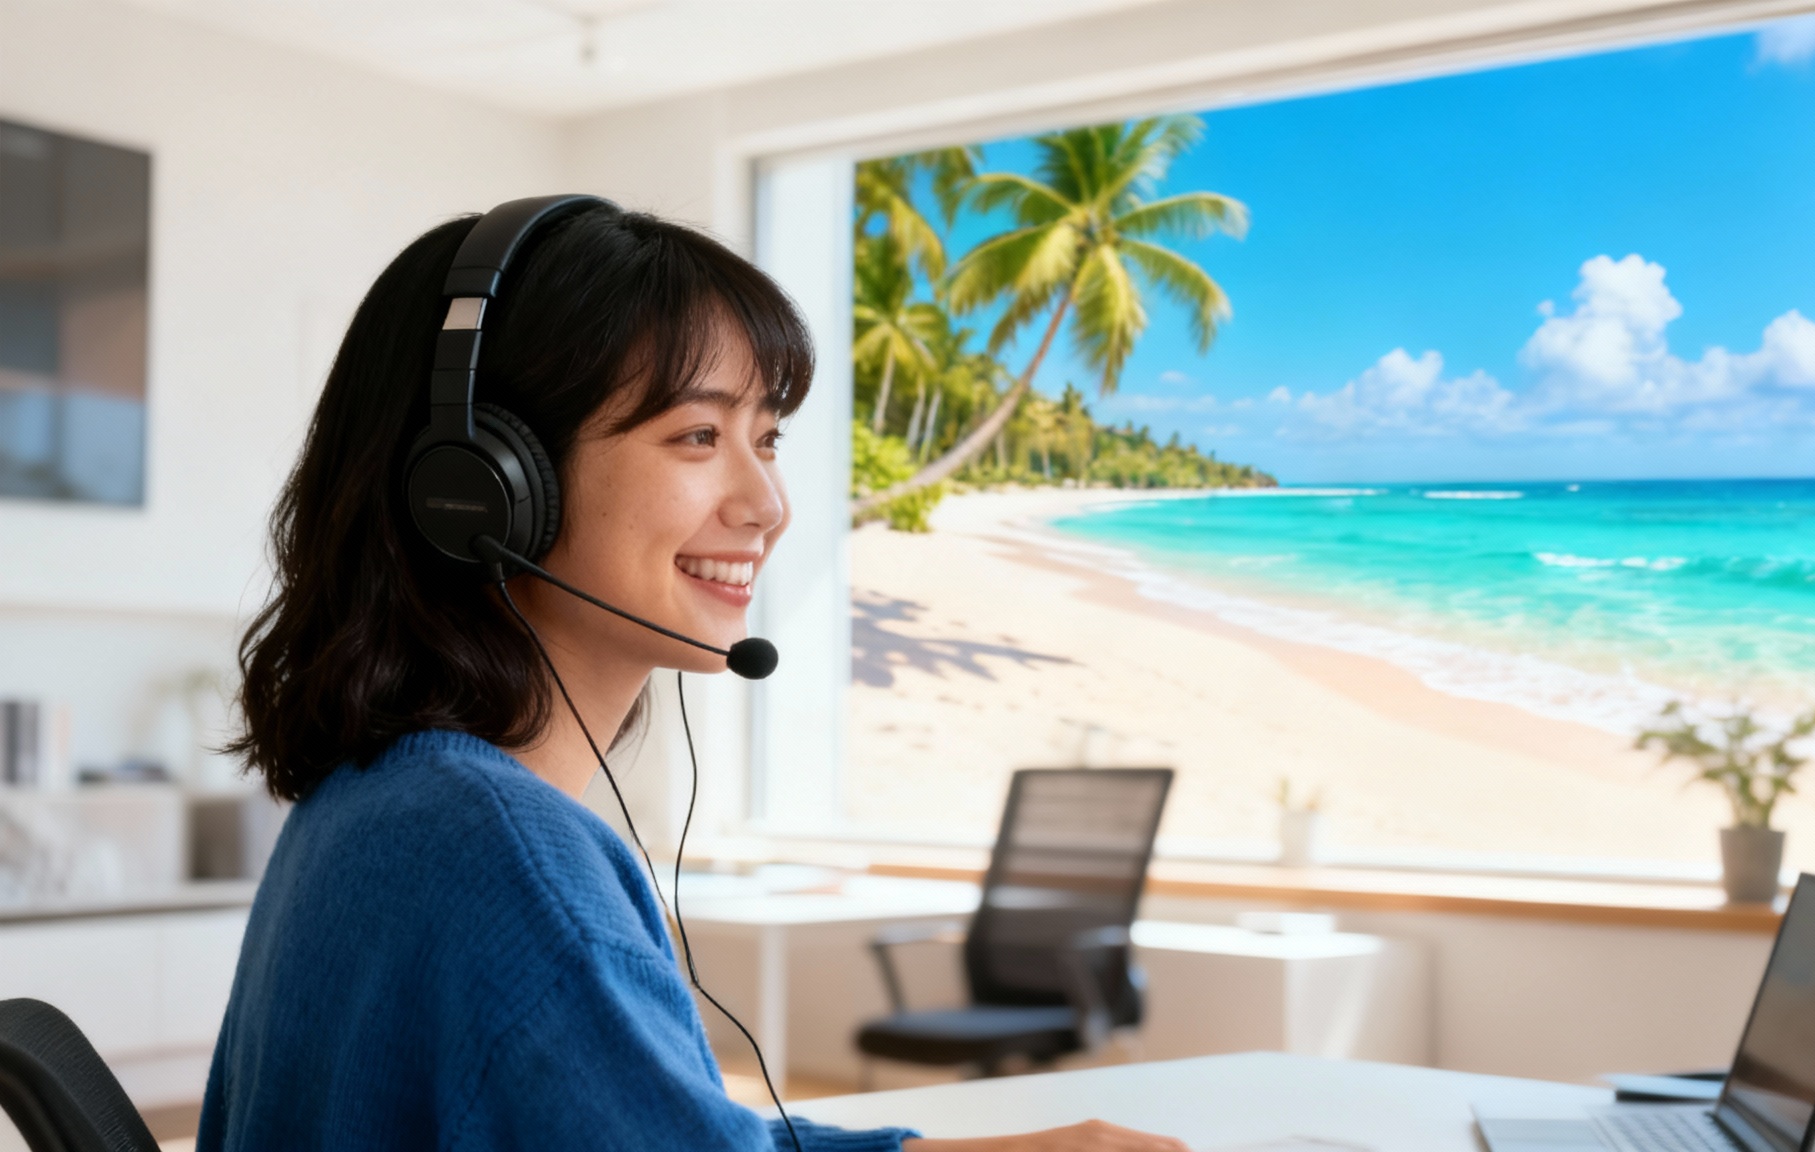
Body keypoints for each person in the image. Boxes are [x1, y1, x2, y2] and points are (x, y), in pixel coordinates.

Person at [201, 203, 1189, 1152]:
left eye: (766, 439)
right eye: (697, 436)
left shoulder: (388, 801)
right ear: (483, 487)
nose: (767, 504)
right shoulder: (506, 852)